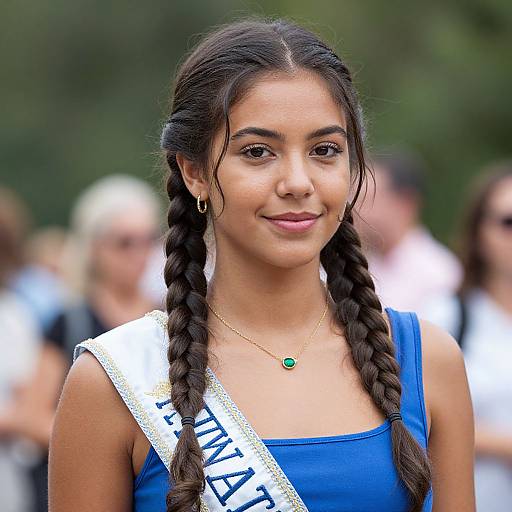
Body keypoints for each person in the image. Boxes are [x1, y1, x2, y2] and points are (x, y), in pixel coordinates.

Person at [49, 19, 475, 512]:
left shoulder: (425, 360)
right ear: (194, 172)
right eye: (258, 152)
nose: (298, 181)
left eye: (325, 150)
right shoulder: (115, 381)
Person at [17, 174, 163, 511]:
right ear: (95, 247)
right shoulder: (68, 321)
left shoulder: (170, 318)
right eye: (125, 242)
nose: (139, 253)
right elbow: (31, 415)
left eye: (149, 239)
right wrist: (111, 444)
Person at [422, 161, 512, 512]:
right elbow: (414, 416)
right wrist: (504, 445)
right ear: (478, 231)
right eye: (508, 222)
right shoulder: (445, 316)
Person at [356, 151, 462, 311]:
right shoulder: (362, 263)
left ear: (406, 202)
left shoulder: (439, 274)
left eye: (367, 198)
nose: (355, 209)